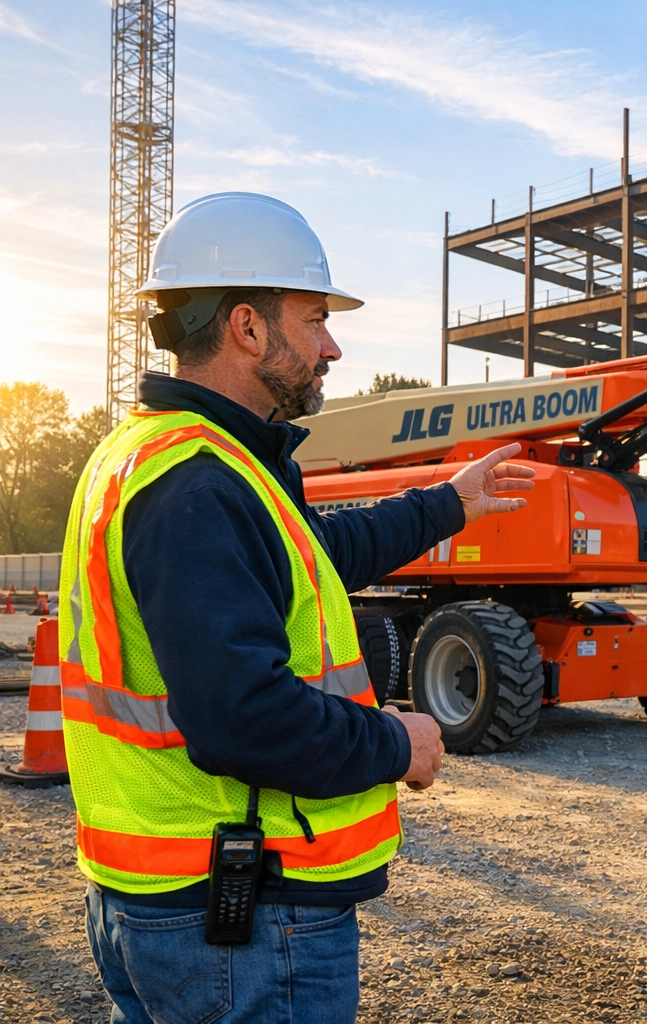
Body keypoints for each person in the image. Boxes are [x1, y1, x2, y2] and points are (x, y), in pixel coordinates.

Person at [59, 192, 537, 1023]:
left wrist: (448, 503)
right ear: (247, 328)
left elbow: (314, 551)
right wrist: (400, 742)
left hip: (168, 896)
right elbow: (242, 718)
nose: (333, 345)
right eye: (314, 319)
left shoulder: (160, 452)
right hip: (239, 914)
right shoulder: (198, 483)